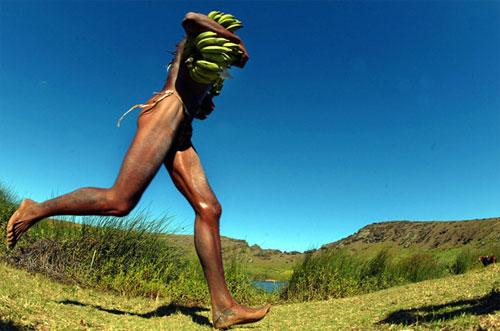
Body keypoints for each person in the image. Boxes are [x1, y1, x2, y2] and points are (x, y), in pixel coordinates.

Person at [6, 12, 271, 329]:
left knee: (209, 208)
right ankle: (36, 208)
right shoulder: (193, 42)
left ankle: (224, 307)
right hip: (165, 112)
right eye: (226, 35)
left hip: (181, 125)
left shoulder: (208, 63)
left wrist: (203, 104)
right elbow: (190, 19)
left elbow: (200, 92)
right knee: (119, 201)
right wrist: (236, 40)